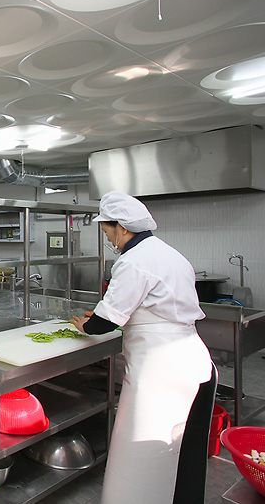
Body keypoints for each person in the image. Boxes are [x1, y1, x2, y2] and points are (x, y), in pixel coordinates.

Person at [69, 191, 215, 504]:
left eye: (107, 231)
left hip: (160, 372)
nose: (108, 238)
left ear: (122, 227)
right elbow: (152, 307)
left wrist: (87, 326)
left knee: (141, 454)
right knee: (183, 453)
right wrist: (106, 316)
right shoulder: (170, 254)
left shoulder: (132, 261)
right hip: (194, 361)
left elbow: (104, 323)